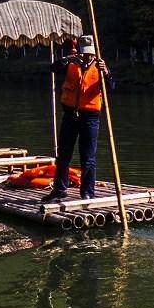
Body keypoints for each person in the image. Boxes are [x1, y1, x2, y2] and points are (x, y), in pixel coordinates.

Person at [45, 34, 109, 202]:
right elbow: (54, 68)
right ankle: (60, 189)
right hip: (70, 114)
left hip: (90, 117)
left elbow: (111, 86)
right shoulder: (71, 64)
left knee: (88, 157)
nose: (87, 56)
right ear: (79, 52)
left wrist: (107, 73)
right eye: (84, 53)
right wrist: (67, 59)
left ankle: (87, 192)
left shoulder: (100, 67)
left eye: (90, 53)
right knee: (64, 154)